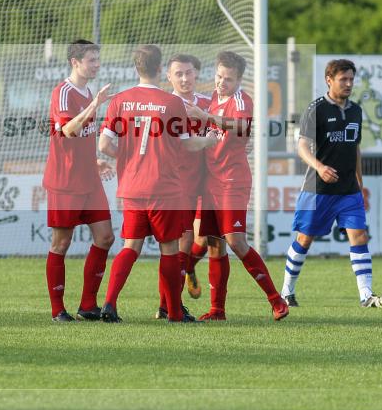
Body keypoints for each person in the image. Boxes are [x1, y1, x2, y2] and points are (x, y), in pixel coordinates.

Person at [98, 45, 216, 323]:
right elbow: (188, 145)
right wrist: (211, 140)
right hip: (164, 188)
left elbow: (104, 145)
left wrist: (126, 159)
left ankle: (110, 304)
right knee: (169, 249)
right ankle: (174, 312)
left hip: (132, 186)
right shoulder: (171, 103)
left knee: (131, 246)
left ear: (136, 68)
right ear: (161, 69)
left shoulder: (120, 101)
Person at [280, 59, 382, 309]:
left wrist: (360, 184)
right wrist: (320, 167)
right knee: (305, 239)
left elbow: (355, 149)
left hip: (348, 190)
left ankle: (366, 295)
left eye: (351, 79)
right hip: (317, 190)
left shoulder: (355, 110)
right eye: (343, 79)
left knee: (359, 235)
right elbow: (301, 146)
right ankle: (286, 291)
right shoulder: (316, 109)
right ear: (329, 80)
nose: (349, 84)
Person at [186, 51, 289, 321]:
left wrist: (206, 118)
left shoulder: (241, 100)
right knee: (212, 243)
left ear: (239, 80)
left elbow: (241, 127)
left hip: (232, 180)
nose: (222, 83)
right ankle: (216, 309)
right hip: (209, 182)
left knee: (235, 241)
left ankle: (277, 301)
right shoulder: (211, 101)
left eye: (228, 79)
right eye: (219, 76)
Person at [41, 40, 115, 322]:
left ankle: (88, 304)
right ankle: (57, 309)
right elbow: (70, 130)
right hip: (65, 182)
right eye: (92, 60)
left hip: (89, 178)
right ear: (75, 62)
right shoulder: (64, 92)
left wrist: (93, 160)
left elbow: (82, 138)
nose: (96, 64)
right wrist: (95, 105)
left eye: (97, 59)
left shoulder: (87, 92)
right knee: (62, 242)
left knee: (105, 237)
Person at [152, 53, 211, 319]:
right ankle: (167, 305)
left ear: (197, 73)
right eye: (179, 74)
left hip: (209, 182)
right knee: (179, 245)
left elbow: (225, 133)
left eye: (189, 73)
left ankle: (189, 270)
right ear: (169, 77)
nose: (185, 78)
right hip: (179, 185)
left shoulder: (208, 104)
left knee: (211, 239)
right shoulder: (164, 105)